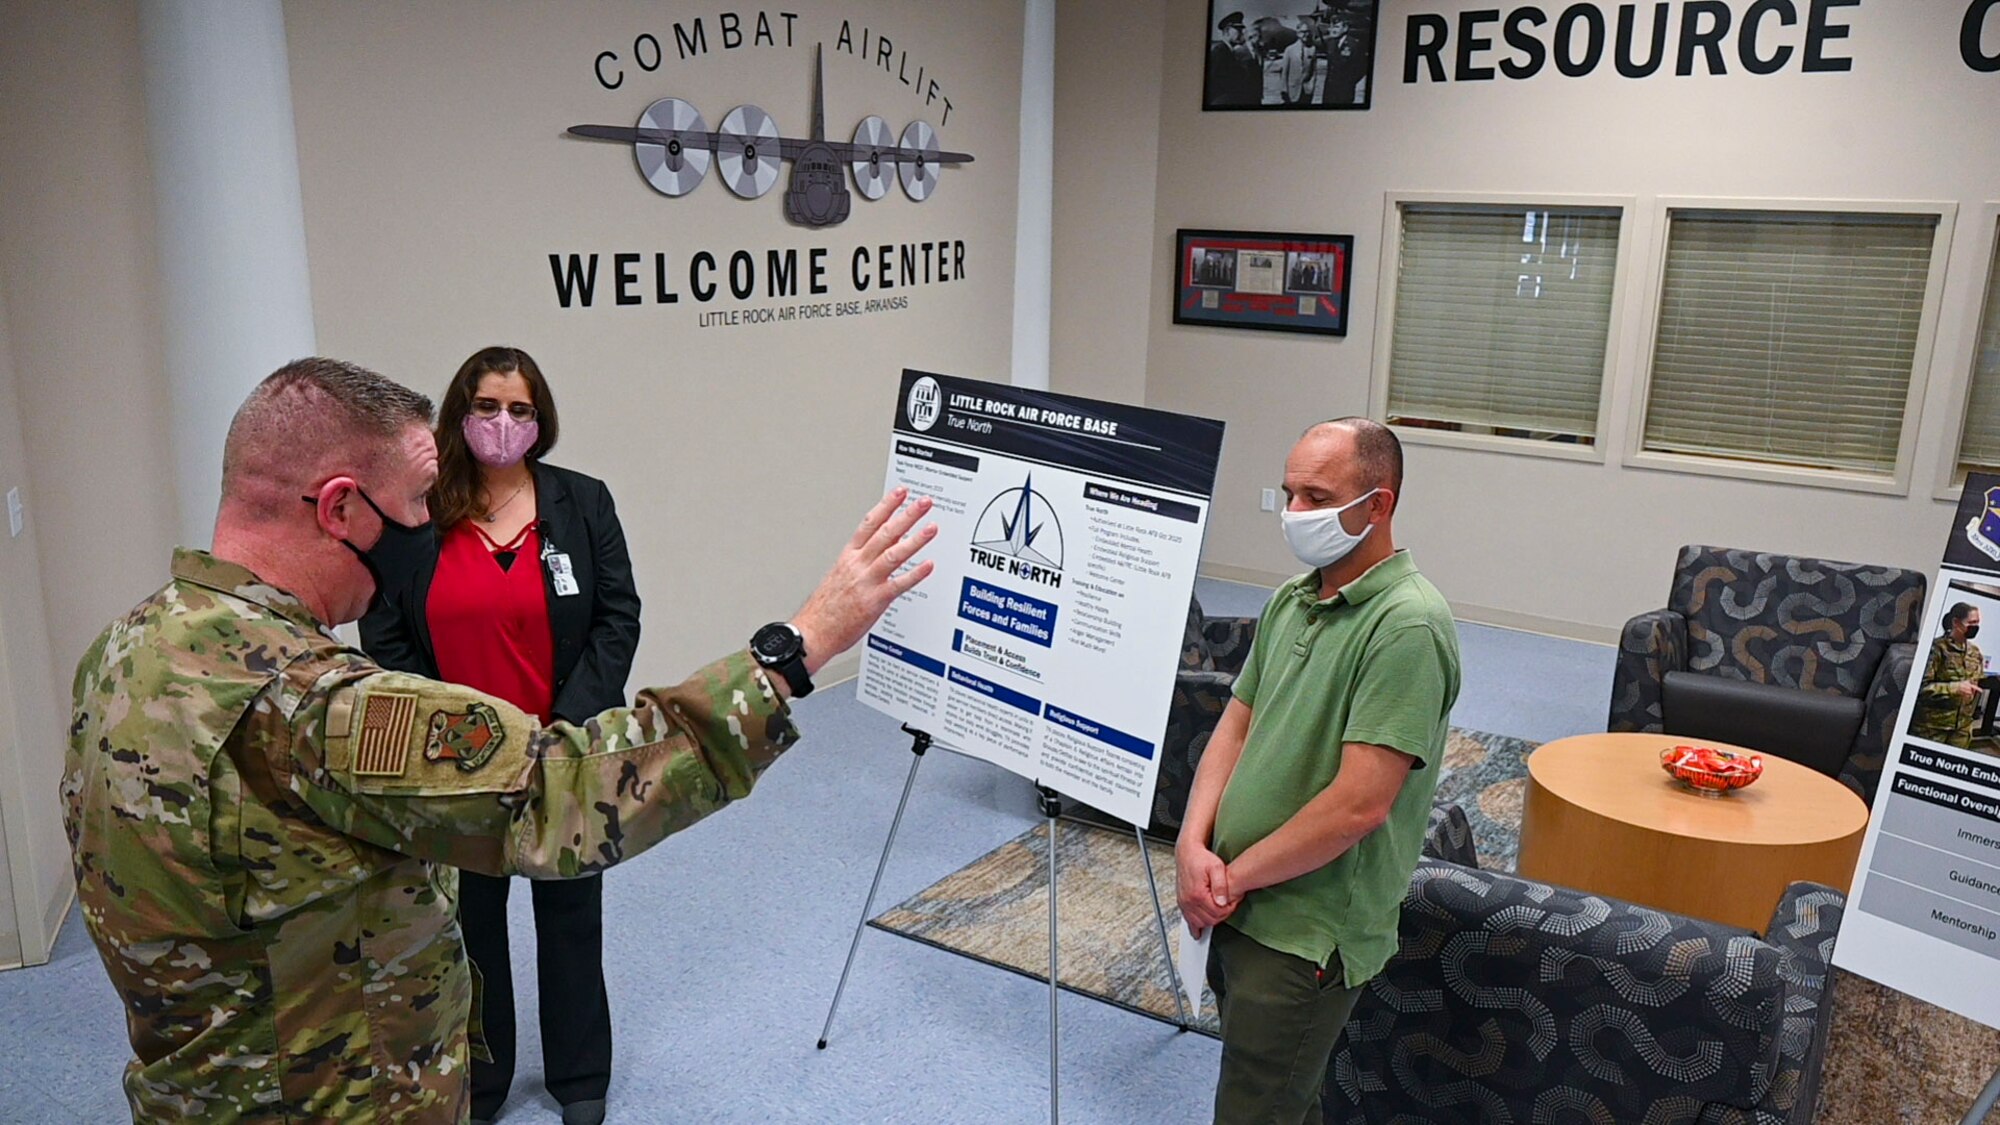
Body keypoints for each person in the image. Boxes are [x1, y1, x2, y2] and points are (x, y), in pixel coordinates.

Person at [62, 357, 936, 1123]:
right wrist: (797, 648)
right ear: (338, 508)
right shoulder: (319, 708)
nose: (423, 530)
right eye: (411, 505)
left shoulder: (126, 648)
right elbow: (563, 797)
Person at [359, 347, 633, 1125]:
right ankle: (483, 1079)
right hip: (457, 763)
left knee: (572, 913)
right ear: (460, 414)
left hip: (560, 756)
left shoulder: (582, 503)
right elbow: (383, 627)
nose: (502, 423)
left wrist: (565, 725)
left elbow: (618, 617)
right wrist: (444, 725)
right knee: (469, 926)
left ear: (539, 419)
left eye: (519, 409)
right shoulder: (420, 513)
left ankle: (580, 1076)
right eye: (486, 407)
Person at [1175, 418, 1460, 1125]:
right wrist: (1192, 845)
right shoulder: (1293, 598)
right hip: (1239, 898)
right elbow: (1234, 726)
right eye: (1290, 493)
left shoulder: (1407, 626)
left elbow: (1359, 806)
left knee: (1257, 1106)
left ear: (1378, 505)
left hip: (1304, 928)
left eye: (1317, 495)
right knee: (1282, 1099)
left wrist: (1232, 878)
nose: (1296, 514)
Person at [1914, 602, 1986, 749]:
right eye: (1972, 623)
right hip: (1932, 729)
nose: (1976, 627)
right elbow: (1919, 688)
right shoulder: (1936, 648)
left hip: (1962, 729)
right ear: (1956, 623)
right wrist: (1954, 688)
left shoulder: (1975, 653)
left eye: (1978, 623)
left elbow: (1975, 686)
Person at [1206, 11, 1260, 106]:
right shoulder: (1219, 52)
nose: (1241, 33)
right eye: (1238, 30)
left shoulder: (1228, 52)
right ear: (1227, 31)